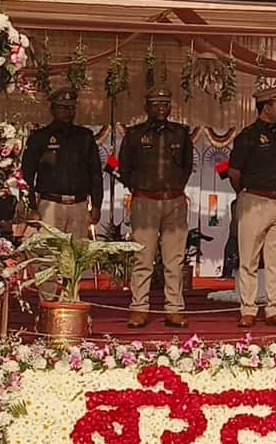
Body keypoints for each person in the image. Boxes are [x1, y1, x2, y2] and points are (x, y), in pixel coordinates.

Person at [118, 85, 193, 329]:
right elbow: (124, 167)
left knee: (174, 260)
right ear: (146, 106)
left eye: (165, 104)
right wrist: (137, 187)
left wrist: (175, 188)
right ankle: (139, 308)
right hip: (145, 200)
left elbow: (186, 166)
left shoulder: (181, 134)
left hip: (174, 200)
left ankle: (174, 309)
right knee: (143, 257)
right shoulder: (135, 134)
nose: (161, 108)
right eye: (156, 104)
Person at [227, 84, 276, 329]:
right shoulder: (247, 136)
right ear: (266, 107)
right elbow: (234, 172)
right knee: (249, 259)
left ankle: (274, 308)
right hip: (254, 200)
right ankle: (248, 309)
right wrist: (245, 195)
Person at [20, 87, 104, 237]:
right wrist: (31, 207)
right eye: (62, 108)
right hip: (50, 205)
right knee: (49, 256)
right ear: (52, 109)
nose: (68, 112)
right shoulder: (40, 137)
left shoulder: (85, 137)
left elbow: (95, 174)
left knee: (77, 256)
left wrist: (96, 205)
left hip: (79, 205)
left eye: (71, 108)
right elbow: (27, 175)